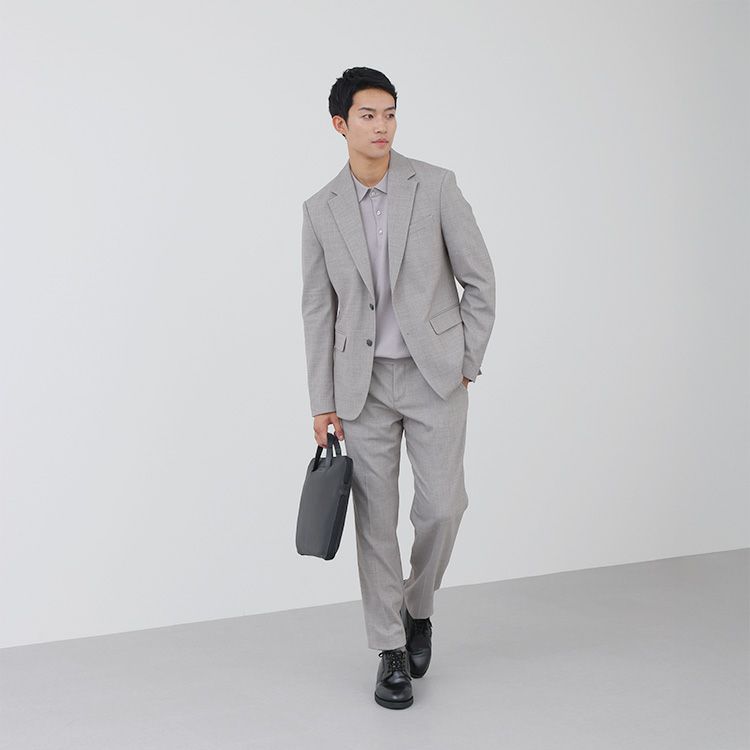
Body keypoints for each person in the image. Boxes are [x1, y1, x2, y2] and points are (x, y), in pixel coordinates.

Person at [300, 67, 496, 709]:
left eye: (389, 113)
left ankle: (418, 605)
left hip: (435, 375)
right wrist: (322, 401)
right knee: (375, 521)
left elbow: (479, 279)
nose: (381, 126)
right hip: (361, 388)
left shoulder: (435, 186)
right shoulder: (320, 209)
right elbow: (318, 310)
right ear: (340, 124)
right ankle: (389, 647)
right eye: (367, 115)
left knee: (443, 508)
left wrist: (466, 359)